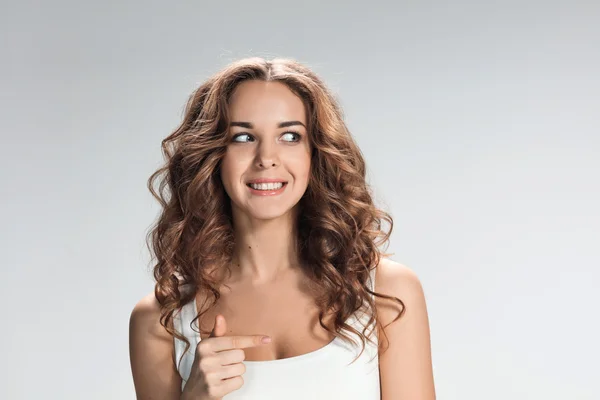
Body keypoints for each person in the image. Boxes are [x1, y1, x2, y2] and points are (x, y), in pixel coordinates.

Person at [129, 57, 436, 399]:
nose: (267, 158)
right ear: (213, 154)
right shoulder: (161, 319)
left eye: (290, 136)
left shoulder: (386, 293)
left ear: (314, 153)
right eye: (243, 137)